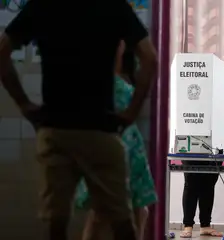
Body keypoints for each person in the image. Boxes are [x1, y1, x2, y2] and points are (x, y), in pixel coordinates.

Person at [0, 1, 157, 240]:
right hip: (100, 129)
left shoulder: (43, 6)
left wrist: (24, 104)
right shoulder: (114, 6)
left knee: (56, 223)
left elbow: (2, 51)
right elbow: (150, 59)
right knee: (122, 222)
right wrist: (131, 112)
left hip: (55, 129)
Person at [75, 40, 157, 240]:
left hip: (120, 148)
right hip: (120, 148)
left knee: (106, 213)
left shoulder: (99, 84)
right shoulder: (108, 86)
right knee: (112, 212)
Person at [180, 96, 224, 238]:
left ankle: (205, 225)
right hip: (191, 140)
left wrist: (219, 117)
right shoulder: (188, 82)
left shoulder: (223, 88)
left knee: (209, 185)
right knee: (191, 184)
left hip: (216, 142)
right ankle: (188, 226)